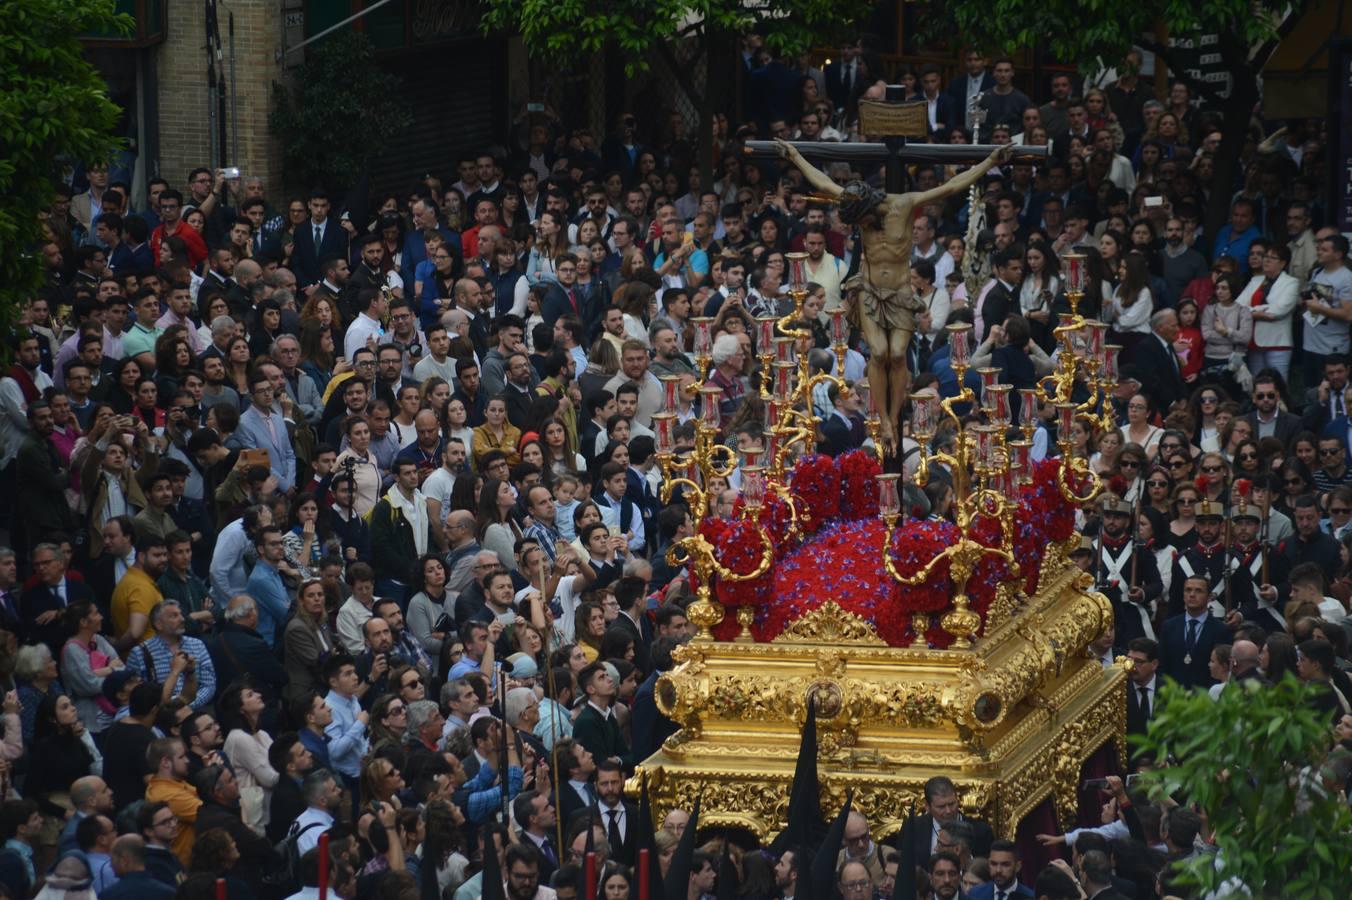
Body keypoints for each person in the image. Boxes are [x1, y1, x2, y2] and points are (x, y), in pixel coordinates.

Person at [775, 139, 1012, 451]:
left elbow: (951, 187)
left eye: (865, 220)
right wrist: (794, 155)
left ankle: (893, 415)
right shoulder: (858, 210)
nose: (864, 226)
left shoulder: (904, 204)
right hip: (871, 290)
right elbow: (823, 181)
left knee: (898, 354)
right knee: (879, 352)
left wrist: (989, 161)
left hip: (900, 291)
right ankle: (885, 422)